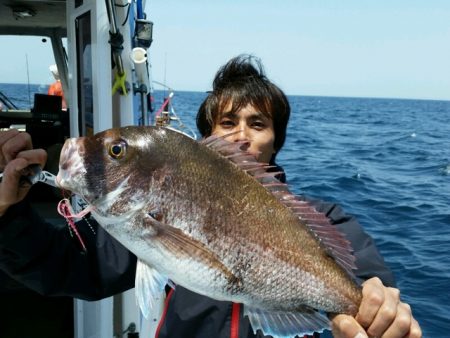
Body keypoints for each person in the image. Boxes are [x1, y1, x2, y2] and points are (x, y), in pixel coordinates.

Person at [0, 55, 421, 338]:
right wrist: (8, 214)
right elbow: (69, 269)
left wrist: (380, 312)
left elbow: (369, 283)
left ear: (276, 140)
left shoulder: (324, 218)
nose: (241, 134)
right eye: (227, 121)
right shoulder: (145, 214)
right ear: (207, 138)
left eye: (258, 123)